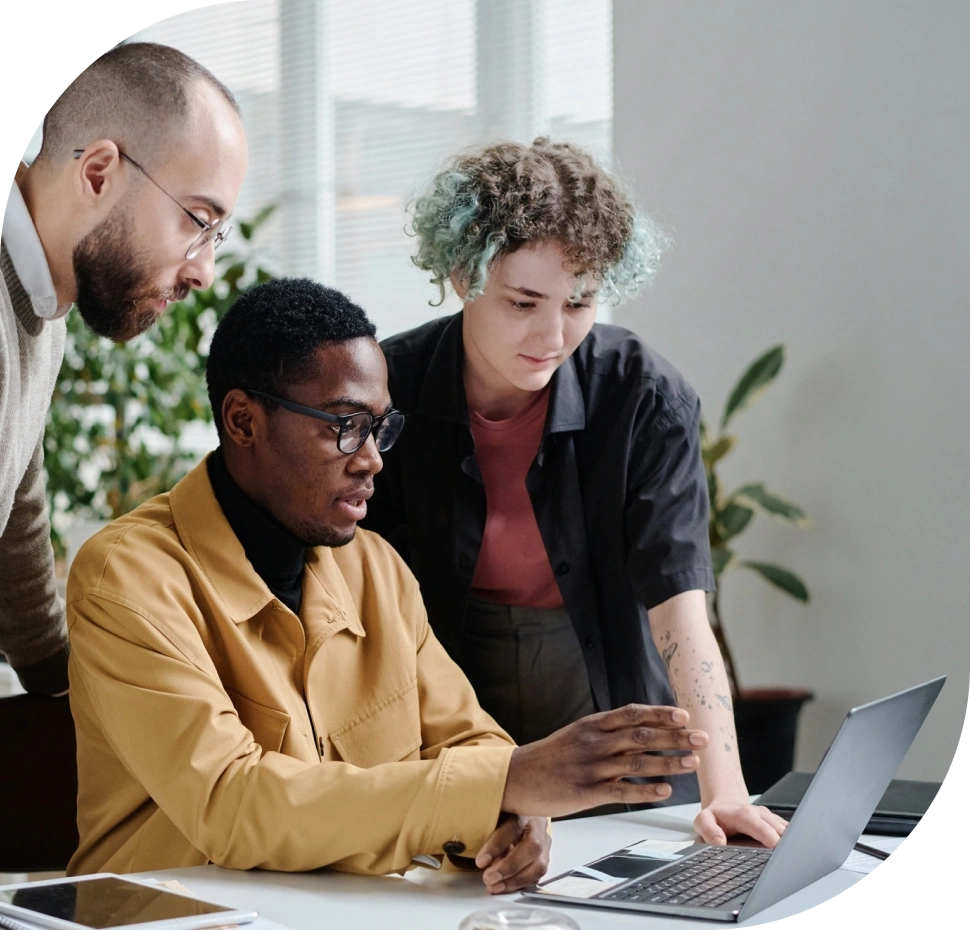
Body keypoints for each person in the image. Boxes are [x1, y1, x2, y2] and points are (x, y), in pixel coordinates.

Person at [65, 278, 718, 887]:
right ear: (243, 422)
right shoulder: (125, 578)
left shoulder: (375, 567)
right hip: (167, 912)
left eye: (379, 428)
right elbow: (233, 804)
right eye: (345, 425)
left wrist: (515, 816)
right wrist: (509, 781)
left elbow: (469, 739)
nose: (374, 458)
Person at [362, 138, 786, 846]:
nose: (551, 335)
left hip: (613, 712)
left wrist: (727, 792)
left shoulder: (643, 394)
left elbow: (680, 608)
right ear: (463, 275)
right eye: (523, 301)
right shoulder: (386, 387)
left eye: (580, 302)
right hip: (448, 712)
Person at [0, 42, 248, 695]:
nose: (203, 270)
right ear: (99, 174)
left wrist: (57, 680)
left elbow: (15, 505)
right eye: (198, 221)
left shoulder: (43, 308)